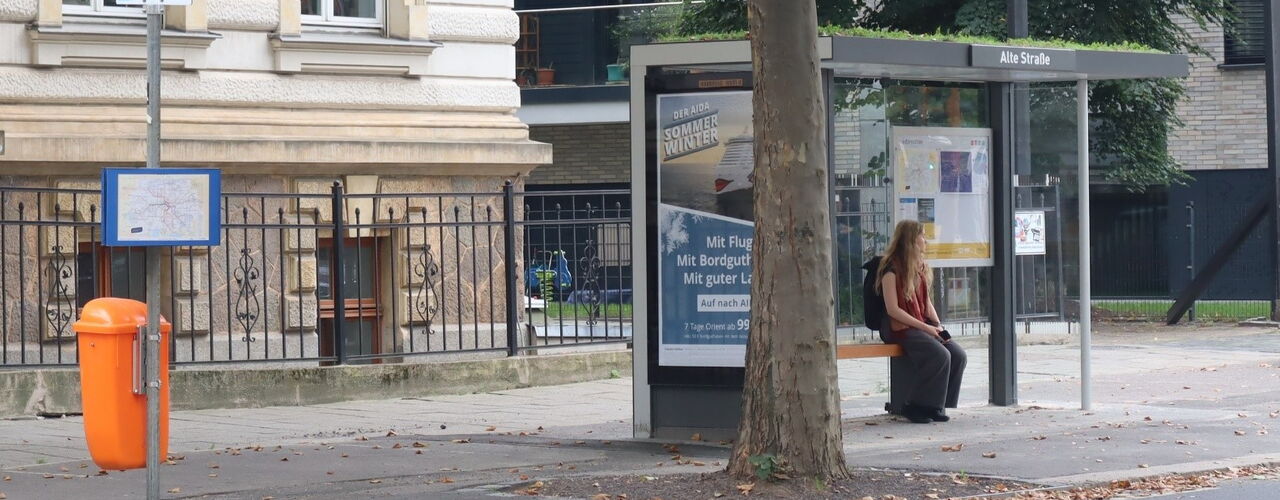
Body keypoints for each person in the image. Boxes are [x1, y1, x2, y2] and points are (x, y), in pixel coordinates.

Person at [876, 220, 967, 424]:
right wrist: (926, 328)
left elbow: (925, 302)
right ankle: (914, 405)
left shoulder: (920, 267)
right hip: (897, 327)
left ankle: (935, 404)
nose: (925, 240)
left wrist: (937, 325)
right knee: (939, 354)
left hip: (918, 323)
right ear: (911, 239)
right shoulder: (890, 269)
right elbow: (893, 310)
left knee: (958, 355)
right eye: (922, 236)